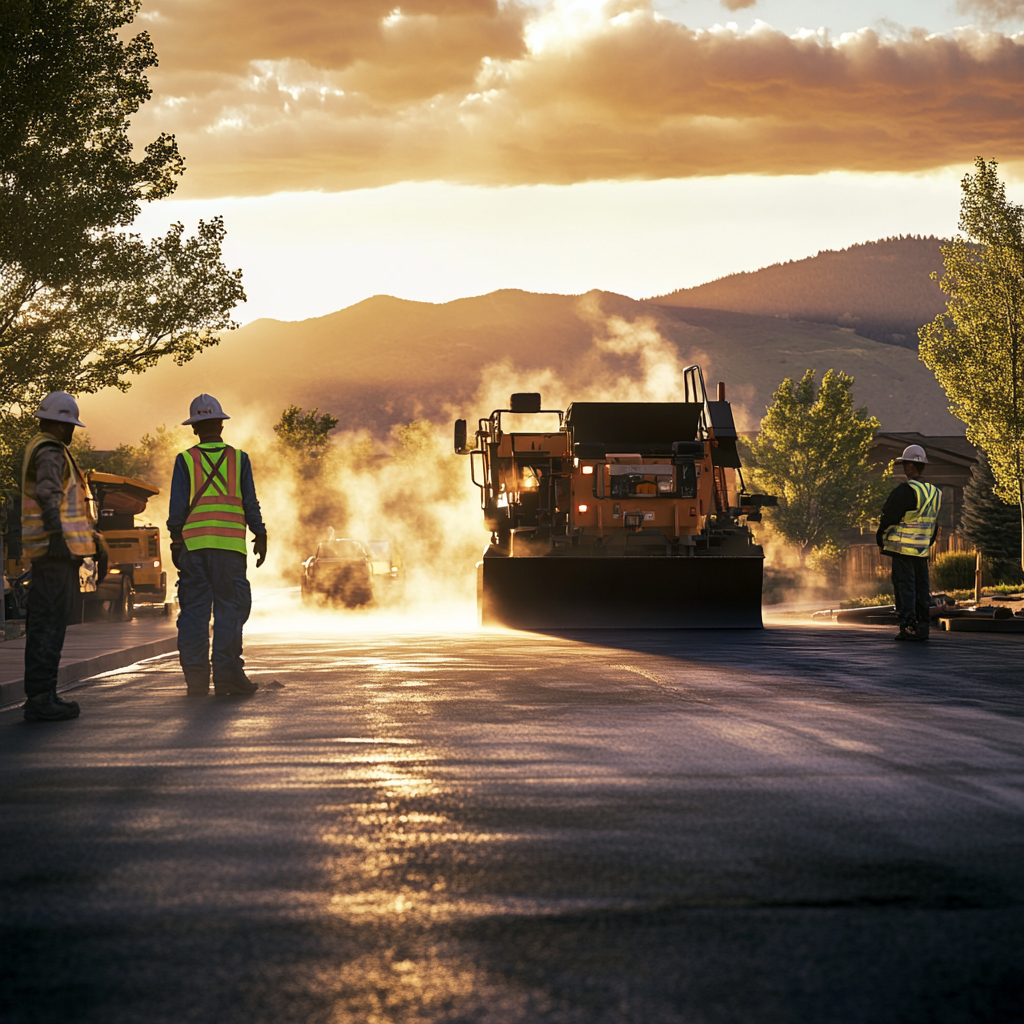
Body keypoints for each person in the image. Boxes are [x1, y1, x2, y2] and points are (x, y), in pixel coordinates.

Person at [167, 395, 268, 696]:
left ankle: (196, 679)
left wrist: (175, 540)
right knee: (230, 610)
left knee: (194, 613)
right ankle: (226, 675)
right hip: (229, 550)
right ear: (222, 424)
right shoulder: (240, 459)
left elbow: (177, 508)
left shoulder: (185, 460)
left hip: (194, 549)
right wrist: (260, 533)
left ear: (195, 428)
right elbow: (250, 503)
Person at [20, 392, 105, 721]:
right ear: (61, 423)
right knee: (49, 624)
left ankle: (43, 694)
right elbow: (49, 492)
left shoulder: (42, 448)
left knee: (48, 622)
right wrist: (57, 534)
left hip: (56, 551)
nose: (72, 431)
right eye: (70, 425)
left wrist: (93, 541)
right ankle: (41, 697)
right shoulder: (51, 451)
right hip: (55, 552)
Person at [876, 444, 942, 642]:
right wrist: (927, 543)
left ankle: (909, 627)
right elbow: (933, 523)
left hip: (903, 549)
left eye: (905, 464)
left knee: (905, 588)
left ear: (912, 467)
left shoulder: (906, 490)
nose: (904, 468)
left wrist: (881, 537)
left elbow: (889, 516)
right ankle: (922, 627)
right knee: (922, 588)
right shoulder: (935, 493)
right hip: (921, 549)